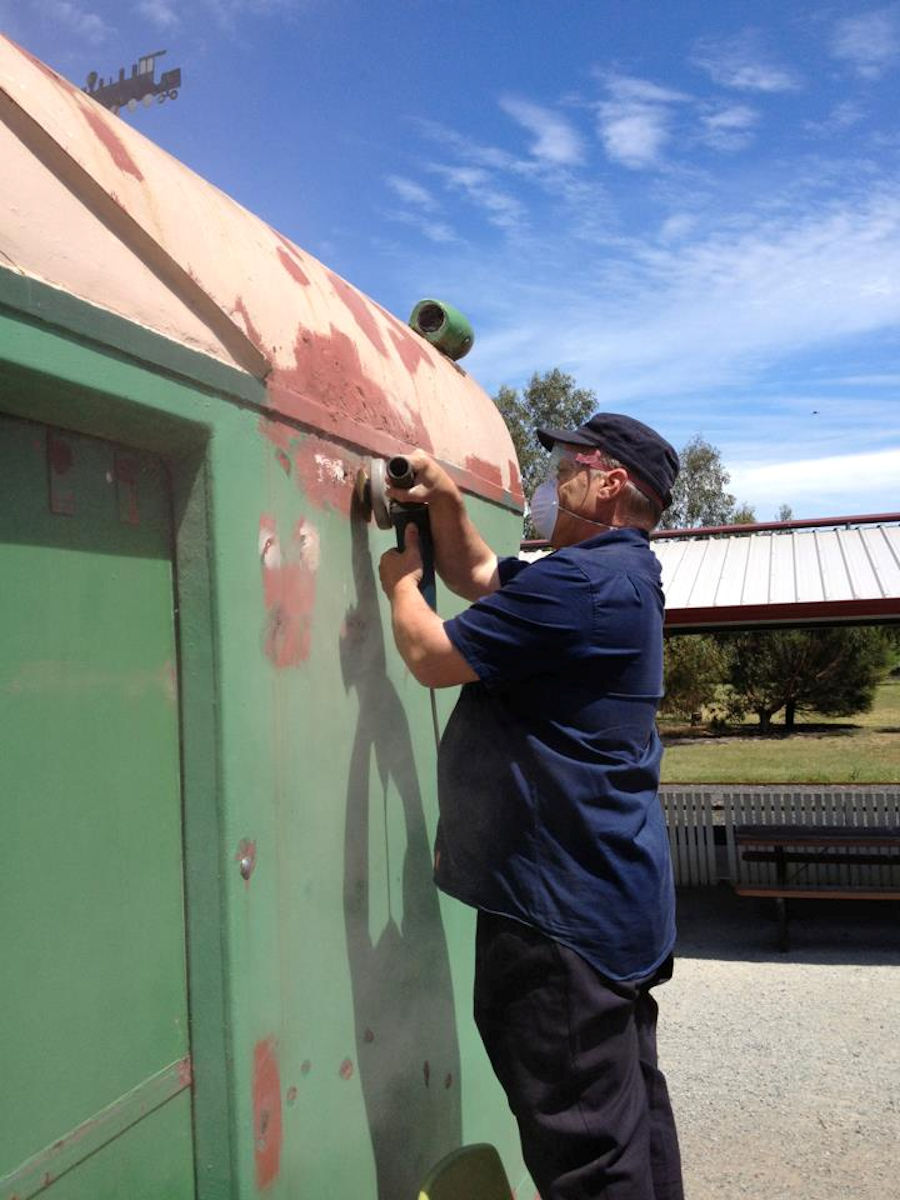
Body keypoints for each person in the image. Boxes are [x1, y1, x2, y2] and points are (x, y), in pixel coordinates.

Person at [377, 412, 683, 1200]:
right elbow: (483, 574)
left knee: (588, 1157)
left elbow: (432, 656)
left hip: (561, 924)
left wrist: (398, 587)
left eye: (568, 464)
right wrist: (444, 497)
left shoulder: (580, 585)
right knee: (629, 1122)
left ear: (610, 481)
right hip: (614, 905)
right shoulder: (621, 574)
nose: (552, 482)